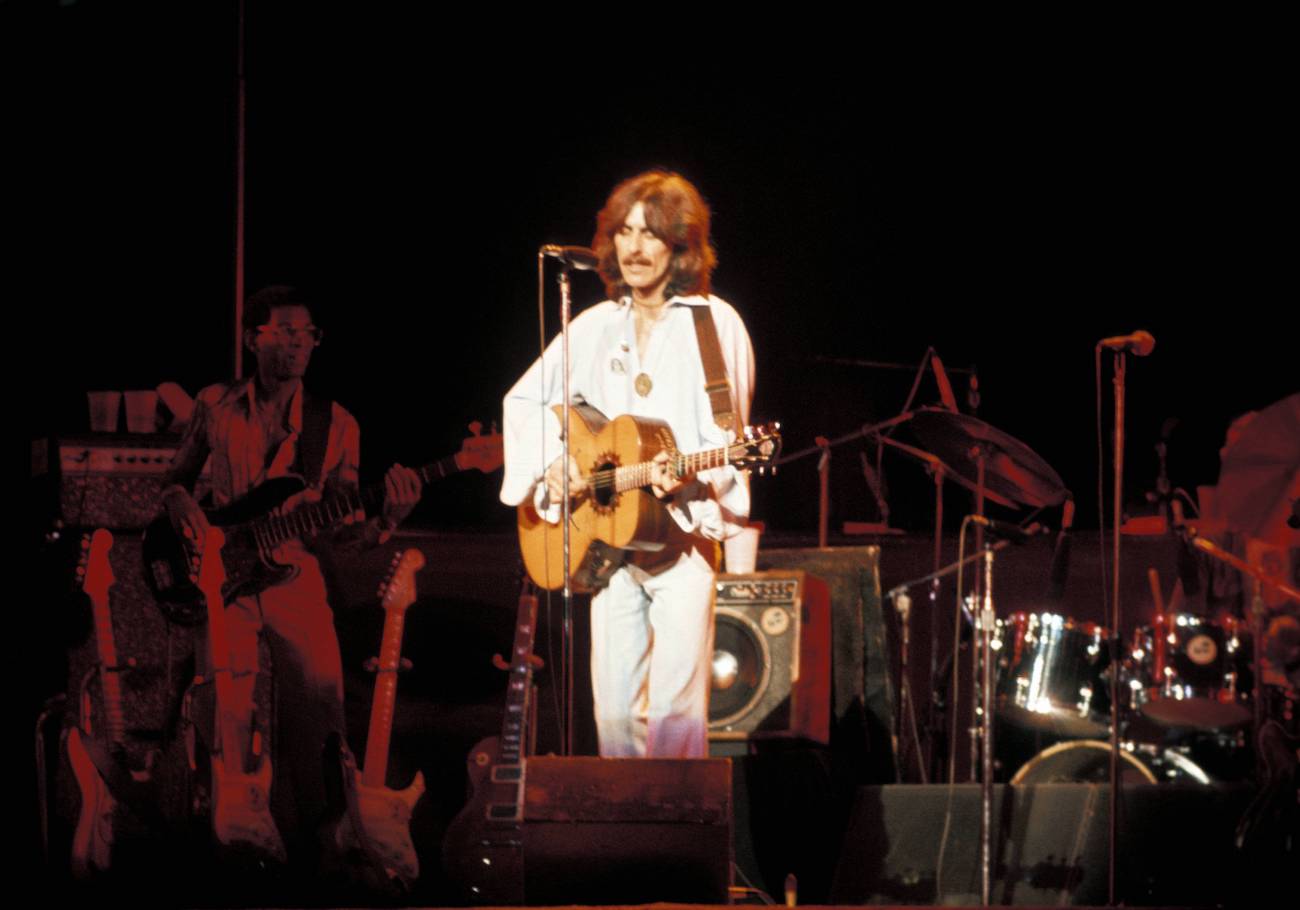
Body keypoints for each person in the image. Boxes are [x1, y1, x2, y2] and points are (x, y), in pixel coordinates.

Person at [160, 284, 421, 859]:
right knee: (226, 714)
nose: (300, 344)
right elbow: (175, 479)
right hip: (220, 578)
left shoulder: (337, 423)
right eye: (286, 332)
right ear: (254, 338)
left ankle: (328, 844)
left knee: (321, 712)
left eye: (309, 335)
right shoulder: (214, 404)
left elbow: (343, 530)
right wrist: (181, 506)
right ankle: (233, 843)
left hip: (294, 577)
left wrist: (387, 521)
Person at [501, 170, 755, 758]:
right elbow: (523, 402)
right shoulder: (594, 327)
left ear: (681, 246)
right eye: (625, 232)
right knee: (613, 713)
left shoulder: (716, 325)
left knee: (674, 713)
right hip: (609, 546)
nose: (634, 248)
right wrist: (555, 463)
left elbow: (729, 438)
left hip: (680, 540)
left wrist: (687, 475)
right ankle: (625, 843)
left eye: (652, 234)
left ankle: (676, 840)